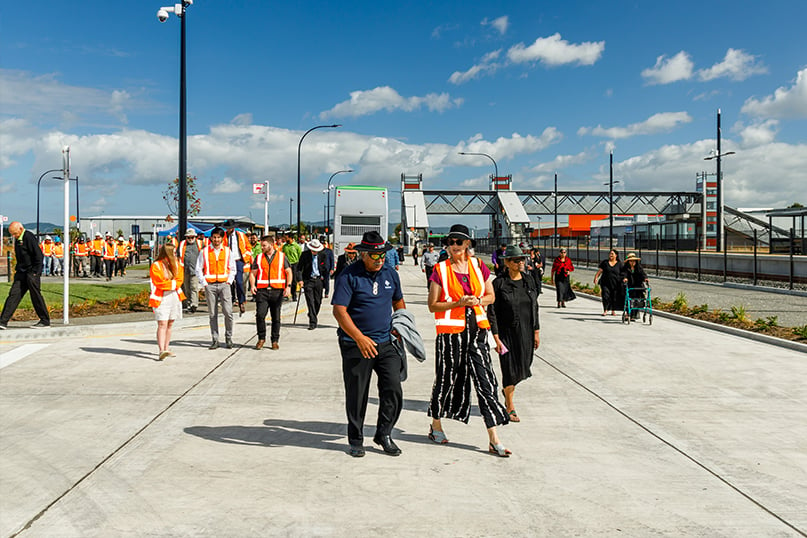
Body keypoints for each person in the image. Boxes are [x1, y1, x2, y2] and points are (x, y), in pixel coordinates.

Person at [427, 224, 511, 457]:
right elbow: (432, 304)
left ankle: (494, 438)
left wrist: (477, 301)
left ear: (467, 244)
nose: (453, 246)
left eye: (458, 242)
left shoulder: (478, 265)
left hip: (477, 332)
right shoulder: (440, 269)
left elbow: (491, 296)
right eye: (450, 242)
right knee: (446, 380)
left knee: (486, 382)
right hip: (451, 335)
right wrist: (457, 303)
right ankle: (436, 425)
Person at [332, 231, 406, 457]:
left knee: (393, 388)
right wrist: (359, 338)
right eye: (375, 255)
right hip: (356, 344)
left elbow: (398, 301)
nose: (379, 259)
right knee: (357, 393)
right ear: (363, 254)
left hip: (385, 342)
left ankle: (384, 433)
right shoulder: (348, 275)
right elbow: (339, 311)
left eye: (382, 255)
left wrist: (401, 325)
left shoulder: (390, 274)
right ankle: (356, 439)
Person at [489, 246, 540, 423]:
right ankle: (510, 405)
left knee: (524, 366)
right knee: (509, 368)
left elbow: (535, 306)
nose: (521, 262)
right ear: (507, 262)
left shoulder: (529, 280)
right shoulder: (499, 283)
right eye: (516, 260)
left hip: (526, 331)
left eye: (522, 259)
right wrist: (495, 335)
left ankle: (507, 390)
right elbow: (492, 311)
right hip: (506, 333)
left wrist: (536, 331)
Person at [0, 222, 51, 329]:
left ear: (21, 228)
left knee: (35, 296)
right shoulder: (18, 240)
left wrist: (36, 272)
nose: (14, 236)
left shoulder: (28, 237)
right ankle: (3, 321)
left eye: (15, 234)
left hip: (31, 272)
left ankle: (45, 321)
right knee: (13, 295)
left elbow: (38, 256)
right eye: (12, 234)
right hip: (21, 272)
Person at [195, 227, 236, 349]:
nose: (216, 240)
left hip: (224, 285)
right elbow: (198, 268)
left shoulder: (228, 251)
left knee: (228, 312)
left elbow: (232, 269)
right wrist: (204, 283)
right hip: (210, 285)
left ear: (222, 238)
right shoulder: (205, 251)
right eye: (214, 237)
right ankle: (215, 339)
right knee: (213, 313)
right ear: (211, 238)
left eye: (218, 237)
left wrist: (229, 281)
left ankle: (228, 337)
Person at [249, 235, 292, 350]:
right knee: (260, 315)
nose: (262, 247)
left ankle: (275, 340)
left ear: (271, 245)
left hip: (277, 291)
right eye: (261, 245)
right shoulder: (258, 258)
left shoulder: (282, 257)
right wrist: (252, 285)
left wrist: (288, 287)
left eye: (264, 245)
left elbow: (289, 272)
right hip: (262, 291)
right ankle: (261, 338)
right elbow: (253, 273)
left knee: (276, 317)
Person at [149, 244, 185, 360]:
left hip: (174, 297)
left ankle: (167, 347)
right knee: (162, 323)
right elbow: (159, 283)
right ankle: (161, 350)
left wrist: (170, 284)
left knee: (170, 323)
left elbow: (179, 280)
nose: (175, 255)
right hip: (161, 298)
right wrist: (172, 284)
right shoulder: (156, 266)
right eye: (173, 253)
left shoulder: (177, 265)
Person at [298, 238, 328, 330]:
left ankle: (312, 313)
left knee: (318, 301)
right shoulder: (304, 255)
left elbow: (325, 268)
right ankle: (313, 322)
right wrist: (300, 280)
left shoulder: (323, 255)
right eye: (313, 250)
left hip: (318, 280)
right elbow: (299, 268)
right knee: (310, 301)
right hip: (308, 280)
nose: (315, 252)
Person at [223, 221, 252, 316]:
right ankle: (231, 300)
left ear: (233, 228)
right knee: (229, 282)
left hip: (238, 260)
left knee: (239, 282)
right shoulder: (224, 236)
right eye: (227, 228)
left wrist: (246, 258)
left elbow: (248, 247)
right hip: (228, 262)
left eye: (229, 228)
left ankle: (241, 301)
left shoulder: (241, 235)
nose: (228, 230)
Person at [178, 228, 204, 313]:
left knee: (194, 287)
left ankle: (194, 304)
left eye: (192, 237)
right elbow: (179, 256)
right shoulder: (182, 244)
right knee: (186, 288)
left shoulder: (200, 244)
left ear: (195, 237)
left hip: (195, 270)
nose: (190, 239)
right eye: (188, 237)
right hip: (185, 269)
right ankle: (188, 303)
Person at [593, 249, 623, 316]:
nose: (611, 255)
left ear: (616, 255)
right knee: (605, 296)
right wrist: (596, 277)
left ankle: (613, 310)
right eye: (610, 254)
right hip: (605, 283)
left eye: (612, 254)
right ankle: (605, 310)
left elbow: (623, 273)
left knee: (614, 297)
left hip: (615, 284)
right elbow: (600, 271)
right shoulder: (605, 263)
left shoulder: (619, 264)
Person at [621, 252, 649, 320]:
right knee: (629, 300)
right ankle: (628, 313)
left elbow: (643, 274)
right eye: (631, 261)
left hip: (638, 286)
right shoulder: (625, 268)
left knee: (637, 300)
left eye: (634, 261)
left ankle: (634, 314)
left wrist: (645, 278)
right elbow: (623, 274)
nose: (632, 262)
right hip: (629, 286)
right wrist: (625, 278)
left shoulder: (639, 268)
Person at [281, 235, 302, 302]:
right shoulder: (284, 246)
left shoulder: (296, 246)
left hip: (294, 264)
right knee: (286, 280)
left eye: (286, 237)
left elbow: (299, 255)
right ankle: (286, 295)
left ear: (290, 238)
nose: (285, 239)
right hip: (286, 264)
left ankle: (294, 295)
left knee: (293, 281)